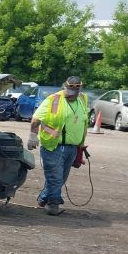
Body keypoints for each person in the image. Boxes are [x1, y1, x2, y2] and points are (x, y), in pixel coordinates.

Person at [27, 77, 88, 215]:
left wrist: (80, 145)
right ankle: (53, 204)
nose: (72, 93)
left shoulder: (83, 99)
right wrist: (32, 136)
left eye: (75, 90)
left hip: (72, 148)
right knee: (55, 177)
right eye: (70, 89)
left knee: (61, 178)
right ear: (64, 87)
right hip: (53, 146)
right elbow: (36, 119)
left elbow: (82, 122)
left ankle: (44, 197)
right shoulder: (53, 100)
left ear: (80, 90)